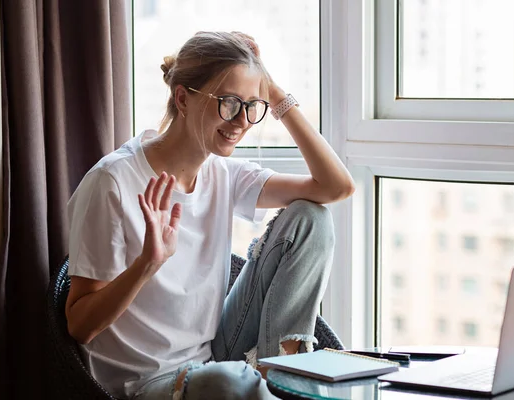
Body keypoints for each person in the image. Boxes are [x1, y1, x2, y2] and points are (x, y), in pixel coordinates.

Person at [65, 31, 355, 400]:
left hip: (213, 357)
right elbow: (79, 326)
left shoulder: (223, 173)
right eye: (229, 103)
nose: (242, 121)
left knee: (311, 219)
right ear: (183, 98)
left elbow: (335, 187)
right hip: (145, 384)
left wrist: (276, 95)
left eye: (253, 105)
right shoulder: (113, 181)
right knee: (229, 383)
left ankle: (285, 376)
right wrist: (147, 264)